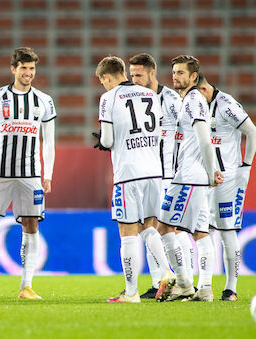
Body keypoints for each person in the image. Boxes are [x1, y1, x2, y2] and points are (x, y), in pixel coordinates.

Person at [0, 47, 56, 300]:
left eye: (31, 68)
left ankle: (26, 286)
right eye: (23, 68)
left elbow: (49, 141)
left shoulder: (44, 100)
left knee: (31, 225)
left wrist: (48, 174)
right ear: (13, 69)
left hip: (30, 175)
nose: (28, 73)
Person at [93, 56, 165, 303]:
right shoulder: (151, 95)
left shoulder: (108, 98)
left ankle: (131, 292)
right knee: (150, 228)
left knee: (128, 232)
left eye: (102, 81)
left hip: (128, 173)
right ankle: (169, 275)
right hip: (155, 171)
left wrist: (102, 140)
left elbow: (108, 141)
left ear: (107, 77)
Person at [155, 55, 223, 302]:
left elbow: (205, 138)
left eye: (181, 73)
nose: (175, 76)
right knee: (199, 232)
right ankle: (202, 287)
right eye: (174, 72)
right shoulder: (189, 100)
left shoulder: (193, 100)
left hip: (189, 177)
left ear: (194, 77)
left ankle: (186, 284)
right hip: (191, 176)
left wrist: (210, 172)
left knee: (165, 227)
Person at [128, 53, 194, 298]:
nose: (134, 79)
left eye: (139, 75)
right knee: (149, 227)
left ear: (152, 73)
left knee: (174, 229)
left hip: (170, 173)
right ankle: (159, 284)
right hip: (147, 173)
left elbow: (189, 131)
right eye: (131, 75)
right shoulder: (133, 100)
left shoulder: (171, 99)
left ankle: (187, 282)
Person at [197, 73, 256, 301]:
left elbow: (253, 132)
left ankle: (230, 288)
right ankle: (203, 285)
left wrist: (246, 166)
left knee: (226, 230)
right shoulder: (197, 105)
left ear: (203, 89)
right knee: (201, 231)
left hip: (227, 179)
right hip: (202, 179)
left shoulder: (227, 105)